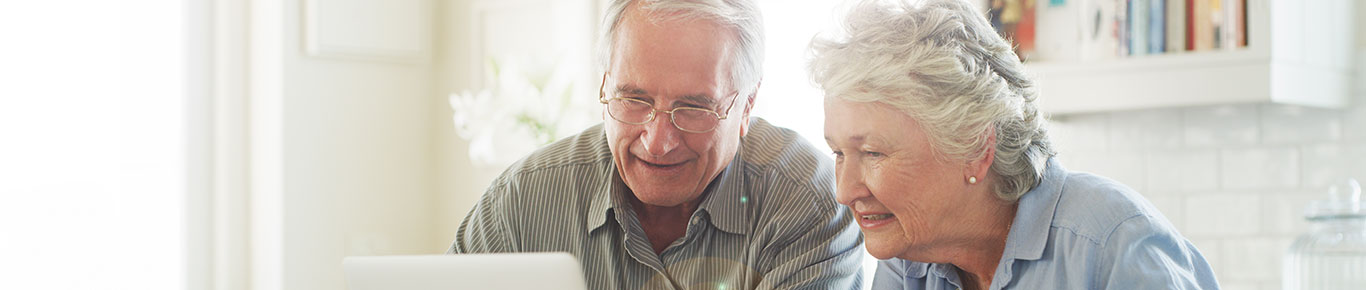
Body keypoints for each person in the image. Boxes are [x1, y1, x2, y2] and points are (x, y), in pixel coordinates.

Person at [449, 0, 864, 289]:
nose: (658, 142)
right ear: (604, 85)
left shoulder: (808, 203)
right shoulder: (522, 203)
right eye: (634, 100)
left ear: (746, 105)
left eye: (693, 107)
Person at [809, 0, 1220, 289]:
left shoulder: (1111, 244)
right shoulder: (909, 258)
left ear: (974, 148)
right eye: (839, 154)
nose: (845, 191)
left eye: (874, 154)